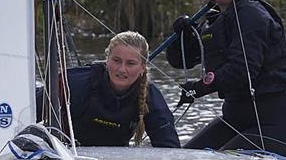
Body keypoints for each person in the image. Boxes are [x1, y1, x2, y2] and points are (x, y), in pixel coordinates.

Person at [166, 0, 286, 157]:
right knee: (183, 158)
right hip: (236, 120)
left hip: (276, 124)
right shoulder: (214, 19)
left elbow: (241, 71)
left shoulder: (252, 16)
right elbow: (180, 62)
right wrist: (181, 37)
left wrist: (198, 88)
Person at [38, 31, 180, 148]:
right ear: (107, 60)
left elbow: (169, 149)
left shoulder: (150, 96)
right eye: (116, 60)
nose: (122, 69)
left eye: (131, 63)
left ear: (142, 67)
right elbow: (26, 109)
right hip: (68, 158)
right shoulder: (75, 83)